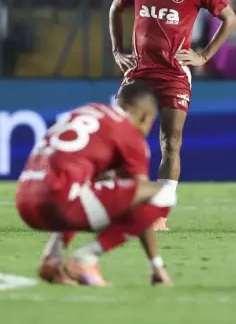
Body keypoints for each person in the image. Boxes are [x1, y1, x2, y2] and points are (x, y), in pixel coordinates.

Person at [109, 0, 236, 231]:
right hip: (139, 71)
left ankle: (159, 216)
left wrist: (204, 55)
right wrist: (117, 50)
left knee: (171, 141)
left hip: (174, 74)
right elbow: (116, 9)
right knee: (119, 139)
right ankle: (116, 203)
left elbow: (229, 19)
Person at [16, 80, 175, 287]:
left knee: (83, 186)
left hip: (25, 201)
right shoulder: (130, 135)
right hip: (59, 203)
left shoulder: (89, 111)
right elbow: (141, 200)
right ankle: (86, 258)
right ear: (145, 117)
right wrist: (156, 264)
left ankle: (52, 258)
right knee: (163, 194)